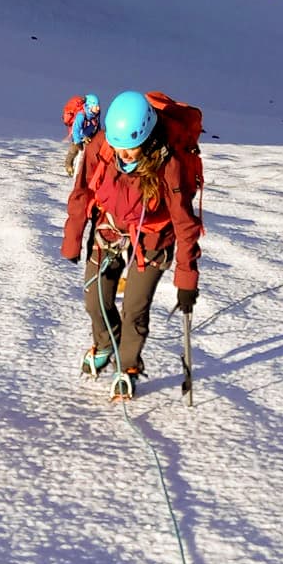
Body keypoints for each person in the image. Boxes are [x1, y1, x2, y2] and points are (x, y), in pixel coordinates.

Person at [61, 90, 203, 399]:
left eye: (130, 149)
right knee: (94, 300)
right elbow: (82, 191)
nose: (122, 155)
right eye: (118, 146)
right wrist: (73, 239)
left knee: (135, 310)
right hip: (108, 229)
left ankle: (127, 367)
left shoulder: (169, 164)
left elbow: (184, 223)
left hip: (153, 238)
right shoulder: (103, 145)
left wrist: (186, 278)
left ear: (149, 137)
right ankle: (104, 344)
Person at [64, 93, 102, 174]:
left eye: (98, 105)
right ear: (90, 106)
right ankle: (68, 165)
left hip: (89, 135)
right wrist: (78, 142)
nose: (98, 108)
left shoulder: (95, 114)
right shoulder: (81, 115)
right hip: (79, 137)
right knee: (74, 150)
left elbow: (97, 125)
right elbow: (76, 130)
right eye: (96, 106)